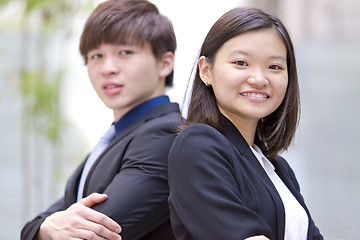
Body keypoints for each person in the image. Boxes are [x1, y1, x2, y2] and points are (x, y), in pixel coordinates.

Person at [21, 0, 181, 239]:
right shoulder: (116, 138)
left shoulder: (166, 135)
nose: (108, 68)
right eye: (96, 55)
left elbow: (96, 231)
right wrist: (47, 228)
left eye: (125, 52)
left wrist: (50, 227)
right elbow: (36, 226)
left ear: (165, 63)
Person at [168, 7, 323, 240]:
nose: (259, 79)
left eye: (275, 67)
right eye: (241, 63)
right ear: (206, 71)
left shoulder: (278, 169)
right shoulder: (198, 145)